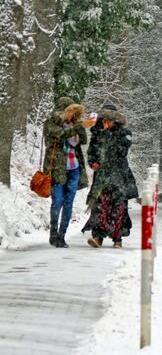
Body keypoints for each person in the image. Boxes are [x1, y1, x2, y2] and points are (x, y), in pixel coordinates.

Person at [43, 97, 95, 247]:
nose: (72, 113)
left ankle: (62, 236)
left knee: (68, 203)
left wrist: (81, 125)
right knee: (57, 202)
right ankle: (53, 233)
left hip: (74, 167)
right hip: (57, 168)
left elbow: (83, 141)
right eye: (70, 110)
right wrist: (78, 127)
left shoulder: (75, 124)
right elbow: (60, 135)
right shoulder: (51, 122)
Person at [87, 108, 138, 248]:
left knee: (118, 207)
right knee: (100, 206)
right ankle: (98, 237)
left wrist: (110, 134)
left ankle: (117, 238)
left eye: (108, 120)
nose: (105, 122)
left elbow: (122, 152)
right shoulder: (97, 133)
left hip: (119, 176)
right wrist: (93, 162)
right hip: (102, 177)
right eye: (103, 120)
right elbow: (91, 151)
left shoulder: (123, 133)